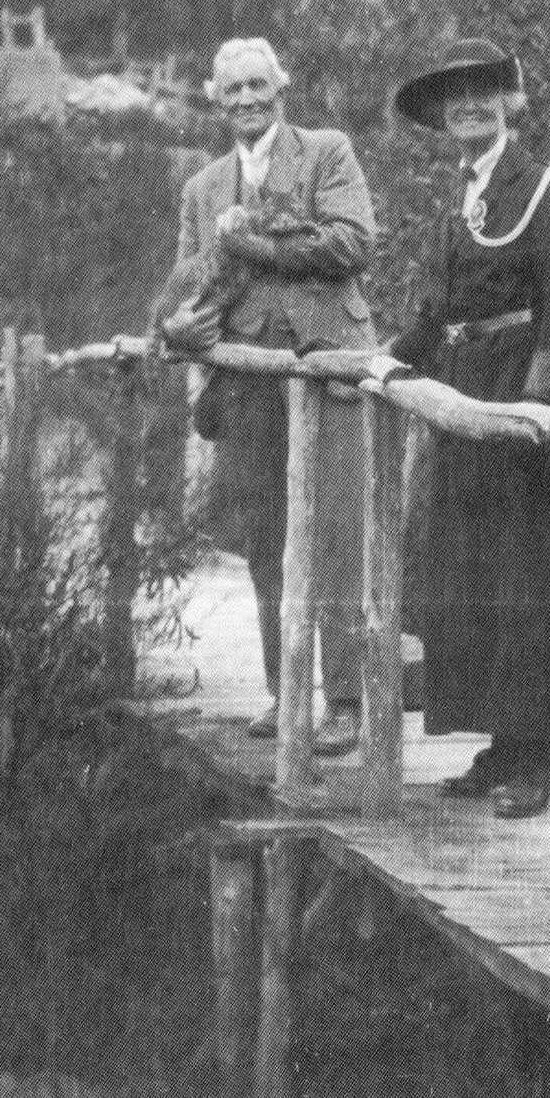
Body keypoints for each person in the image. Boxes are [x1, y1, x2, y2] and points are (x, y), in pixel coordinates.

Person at [378, 36, 550, 819]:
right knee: (474, 576)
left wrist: (531, 411)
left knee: (525, 580)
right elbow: (437, 313)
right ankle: (499, 746)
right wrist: (381, 363)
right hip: (467, 394)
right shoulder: (462, 194)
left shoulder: (545, 187)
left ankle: (534, 759)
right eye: (455, 96)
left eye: (485, 91)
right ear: (443, 116)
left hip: (523, 402)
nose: (470, 106)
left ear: (509, 102)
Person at [158, 37, 377, 755]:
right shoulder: (202, 188)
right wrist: (176, 324)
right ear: (217, 101)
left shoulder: (326, 152)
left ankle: (345, 703)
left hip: (330, 368)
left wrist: (253, 244)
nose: (248, 100)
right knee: (267, 542)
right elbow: (183, 284)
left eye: (259, 85)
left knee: (340, 536)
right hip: (250, 380)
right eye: (234, 91)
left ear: (281, 88)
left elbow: (352, 245)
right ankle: (287, 694)